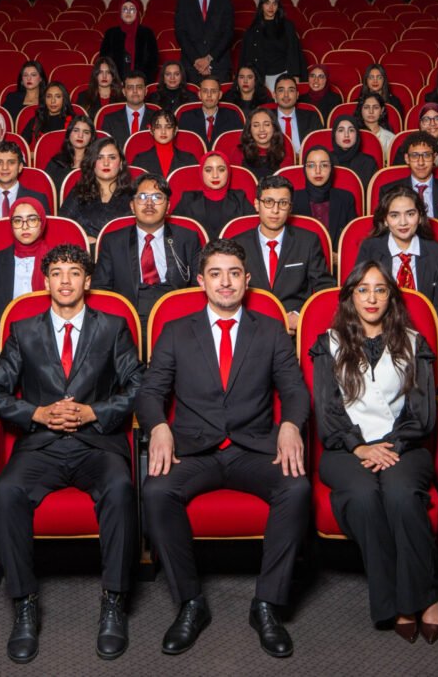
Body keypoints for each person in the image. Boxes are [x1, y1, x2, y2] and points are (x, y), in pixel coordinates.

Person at [138, 238, 310, 658]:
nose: (226, 282)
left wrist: (290, 424)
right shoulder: (177, 331)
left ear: (247, 280)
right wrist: (159, 426)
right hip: (195, 450)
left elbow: (296, 391)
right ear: (202, 281)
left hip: (253, 449)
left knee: (297, 488)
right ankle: (190, 602)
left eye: (234, 273)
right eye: (216, 274)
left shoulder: (269, 330)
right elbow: (149, 392)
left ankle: (267, 604)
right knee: (157, 491)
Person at [0, 244, 145, 662]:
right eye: (56, 272)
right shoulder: (23, 330)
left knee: (120, 489)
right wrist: (36, 412)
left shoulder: (113, 327)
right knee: (6, 493)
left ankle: (114, 600)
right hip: (42, 444)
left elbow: (139, 386)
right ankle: (24, 603)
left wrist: (95, 411)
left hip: (97, 442)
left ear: (87, 281)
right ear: (45, 281)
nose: (64, 280)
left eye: (74, 272)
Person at [310, 263, 438, 641]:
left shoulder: (414, 343)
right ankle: (395, 601)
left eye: (380, 290)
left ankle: (427, 595)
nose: (371, 298)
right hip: (344, 448)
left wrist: (393, 446)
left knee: (401, 494)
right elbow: (327, 408)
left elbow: (423, 411)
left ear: (391, 296)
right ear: (351, 295)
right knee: (365, 495)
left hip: (404, 444)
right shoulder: (328, 342)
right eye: (363, 290)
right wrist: (359, 446)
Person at [92, 173, 202, 322]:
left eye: (157, 197)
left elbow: (199, 285)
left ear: (168, 206)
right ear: (132, 206)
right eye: (142, 197)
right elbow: (101, 289)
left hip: (177, 313)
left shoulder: (187, 238)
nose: (149, 203)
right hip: (129, 314)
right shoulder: (113, 242)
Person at [240, 174, 335, 333]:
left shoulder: (308, 241)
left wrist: (302, 316)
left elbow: (325, 289)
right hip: (250, 329)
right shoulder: (238, 244)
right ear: (257, 204)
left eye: (283, 203)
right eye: (268, 202)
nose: (275, 210)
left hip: (294, 332)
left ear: (290, 208)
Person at [352, 184, 438, 317]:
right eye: (394, 215)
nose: (403, 222)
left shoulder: (436, 252)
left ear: (420, 217)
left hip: (423, 329)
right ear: (385, 220)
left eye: (410, 214)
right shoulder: (369, 249)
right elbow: (358, 297)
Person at [381, 132, 438, 241]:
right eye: (414, 156)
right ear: (406, 158)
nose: (421, 162)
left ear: (434, 157)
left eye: (426, 155)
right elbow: (383, 229)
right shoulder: (388, 191)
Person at [0, 196, 53, 322]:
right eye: (17, 221)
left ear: (42, 223)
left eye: (32, 220)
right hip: (6, 330)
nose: (25, 227)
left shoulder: (56, 259)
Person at [174, 0, 234, 82]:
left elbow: (228, 34)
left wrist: (208, 59)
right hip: (191, 66)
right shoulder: (183, 1)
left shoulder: (225, 2)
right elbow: (181, 34)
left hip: (218, 65)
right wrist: (197, 60)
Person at [61, 137, 135, 238]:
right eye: (99, 158)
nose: (106, 163)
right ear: (92, 163)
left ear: (121, 163)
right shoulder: (79, 192)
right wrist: (83, 239)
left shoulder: (133, 194)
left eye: (112, 157)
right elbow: (62, 227)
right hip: (85, 251)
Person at [172, 151, 253, 238]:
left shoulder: (240, 198)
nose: (215, 175)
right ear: (201, 173)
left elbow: (252, 233)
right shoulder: (187, 199)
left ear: (228, 172)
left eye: (221, 170)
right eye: (208, 170)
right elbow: (175, 233)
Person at [238, 0, 304, 84]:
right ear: (261, 6)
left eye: (274, 4)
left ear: (278, 6)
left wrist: (295, 75)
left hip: (283, 74)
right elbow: (245, 57)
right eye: (267, 3)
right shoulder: (252, 30)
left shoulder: (287, 26)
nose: (271, 7)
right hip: (260, 75)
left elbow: (293, 52)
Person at [292, 146, 359, 236]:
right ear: (304, 170)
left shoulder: (346, 199)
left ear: (331, 169)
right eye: (311, 165)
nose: (318, 171)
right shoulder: (292, 199)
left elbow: (353, 237)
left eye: (324, 165)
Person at [176, 75, 244, 147]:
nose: (209, 95)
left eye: (213, 91)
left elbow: (237, 148)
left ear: (220, 95)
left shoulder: (233, 117)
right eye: (205, 91)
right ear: (199, 94)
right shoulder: (186, 118)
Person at [99, 0, 160, 81]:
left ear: (137, 13)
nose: (128, 12)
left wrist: (142, 81)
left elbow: (153, 61)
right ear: (120, 13)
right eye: (124, 9)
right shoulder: (111, 33)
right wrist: (115, 80)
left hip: (141, 82)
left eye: (132, 9)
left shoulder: (147, 33)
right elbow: (105, 59)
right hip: (116, 82)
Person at [131, 109, 198, 177]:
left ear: (175, 130)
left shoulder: (189, 159)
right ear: (151, 130)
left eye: (168, 127)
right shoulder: (140, 160)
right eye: (158, 127)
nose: (163, 132)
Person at [103, 70, 157, 148]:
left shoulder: (157, 118)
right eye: (130, 88)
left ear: (145, 91)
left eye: (139, 87)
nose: (135, 91)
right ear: (124, 92)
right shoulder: (110, 120)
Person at [269, 73, 321, 154]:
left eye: (291, 90)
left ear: (297, 95)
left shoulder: (312, 118)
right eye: (281, 90)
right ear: (274, 95)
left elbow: (319, 147)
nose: (286, 95)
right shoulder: (265, 118)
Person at [44, 114, 96, 189]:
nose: (80, 135)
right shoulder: (56, 162)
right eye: (76, 130)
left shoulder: (96, 163)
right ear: (69, 134)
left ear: (91, 137)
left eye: (86, 132)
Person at [239, 108, 291, 183]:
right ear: (249, 129)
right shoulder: (239, 153)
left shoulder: (284, 155)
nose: (261, 129)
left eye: (266, 124)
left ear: (274, 127)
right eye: (256, 125)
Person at [329, 114, 378, 186]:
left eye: (351, 130)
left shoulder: (368, 162)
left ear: (357, 135)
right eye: (341, 130)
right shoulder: (326, 160)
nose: (346, 135)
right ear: (334, 135)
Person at [22, 80, 73, 144]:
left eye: (58, 96)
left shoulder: (73, 122)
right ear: (44, 100)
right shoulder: (35, 121)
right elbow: (21, 146)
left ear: (64, 99)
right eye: (49, 96)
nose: (53, 101)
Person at [356, 90, 397, 162]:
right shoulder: (354, 135)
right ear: (361, 110)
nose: (371, 111)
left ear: (382, 110)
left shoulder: (390, 138)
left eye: (375, 107)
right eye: (366, 107)